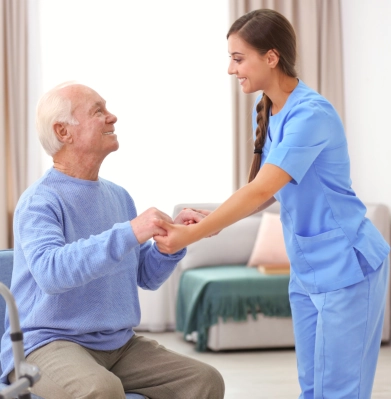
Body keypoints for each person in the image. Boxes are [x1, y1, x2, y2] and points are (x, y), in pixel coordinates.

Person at [153, 9, 390, 399]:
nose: (231, 69)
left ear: (271, 57)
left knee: (340, 392)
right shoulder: (265, 110)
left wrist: (193, 234)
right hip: (308, 269)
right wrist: (212, 219)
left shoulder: (311, 114)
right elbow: (272, 191)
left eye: (237, 58)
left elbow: (260, 189)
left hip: (348, 267)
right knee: (312, 387)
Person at [0, 82, 225, 399]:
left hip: (119, 344)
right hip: (47, 344)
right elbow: (51, 274)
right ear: (63, 132)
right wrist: (130, 231)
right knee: (101, 390)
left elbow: (143, 276)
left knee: (204, 380)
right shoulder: (39, 201)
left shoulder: (119, 196)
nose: (112, 117)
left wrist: (170, 240)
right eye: (98, 111)